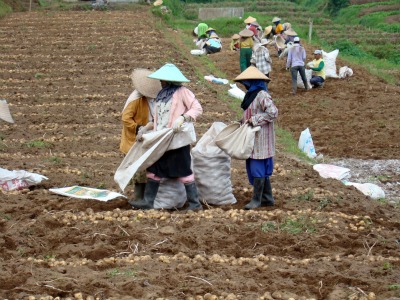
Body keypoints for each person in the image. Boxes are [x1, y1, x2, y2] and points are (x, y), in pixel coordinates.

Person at [130, 63, 203, 211]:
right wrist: (146, 128)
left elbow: (197, 108)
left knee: (183, 170)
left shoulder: (183, 92)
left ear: (170, 80)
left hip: (176, 140)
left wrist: (183, 118)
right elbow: (157, 119)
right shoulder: (161, 95)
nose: (160, 82)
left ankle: (195, 204)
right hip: (161, 139)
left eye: (163, 79)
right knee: (154, 168)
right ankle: (148, 202)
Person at [233, 66, 278, 209]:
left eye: (247, 82)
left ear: (253, 81)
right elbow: (249, 113)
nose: (245, 85)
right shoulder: (250, 95)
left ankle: (257, 200)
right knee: (258, 167)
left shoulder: (262, 95)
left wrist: (255, 120)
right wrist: (241, 122)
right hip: (252, 137)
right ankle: (267, 198)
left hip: (261, 138)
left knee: (257, 167)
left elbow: (273, 113)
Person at [120, 69, 162, 204]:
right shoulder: (136, 99)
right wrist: (139, 129)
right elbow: (126, 119)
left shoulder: (156, 98)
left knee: (148, 169)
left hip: (149, 138)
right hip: (135, 140)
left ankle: (147, 198)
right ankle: (139, 198)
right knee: (138, 170)